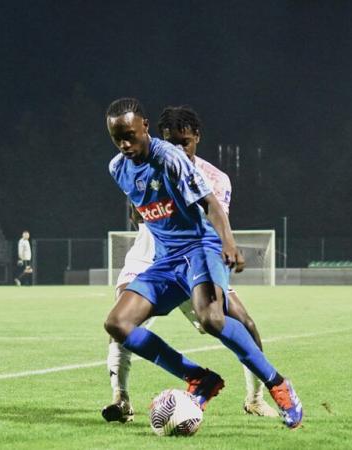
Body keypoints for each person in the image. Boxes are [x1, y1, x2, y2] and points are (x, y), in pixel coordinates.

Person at [103, 98, 302, 429]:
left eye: (130, 135)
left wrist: (229, 244)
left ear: (145, 128)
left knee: (213, 319)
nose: (125, 144)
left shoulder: (170, 158)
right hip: (166, 259)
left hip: (201, 248)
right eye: (117, 138)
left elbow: (211, 203)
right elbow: (144, 205)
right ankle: (198, 378)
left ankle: (278, 385)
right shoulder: (117, 168)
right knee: (117, 324)